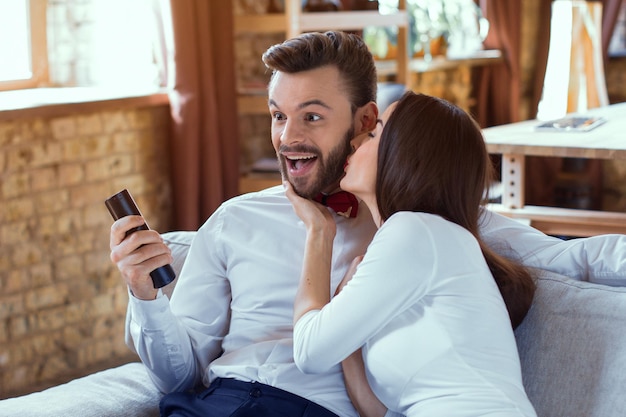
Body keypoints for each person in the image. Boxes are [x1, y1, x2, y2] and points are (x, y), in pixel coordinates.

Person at [109, 31, 626, 417]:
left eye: (312, 117)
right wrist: (144, 296)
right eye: (277, 116)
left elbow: (574, 256)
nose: (288, 137)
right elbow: (181, 374)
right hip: (215, 400)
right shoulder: (234, 219)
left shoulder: (425, 221)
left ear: (364, 123)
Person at [285, 91, 537, 417]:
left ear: (406, 155)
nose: (356, 141)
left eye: (374, 133)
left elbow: (308, 353)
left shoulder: (416, 232)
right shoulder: (416, 242)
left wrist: (318, 232)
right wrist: (342, 316)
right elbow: (379, 411)